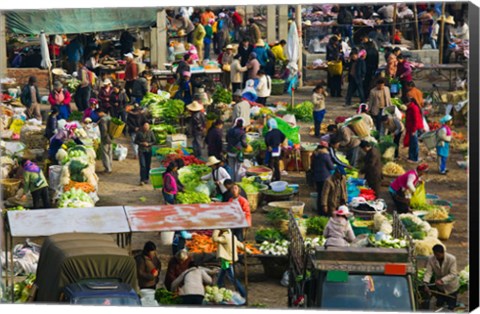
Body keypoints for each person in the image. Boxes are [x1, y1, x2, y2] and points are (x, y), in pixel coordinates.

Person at [212, 229, 249, 298]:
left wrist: (216, 230)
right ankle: (217, 289)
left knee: (232, 278)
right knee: (221, 275)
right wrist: (248, 250)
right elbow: (240, 244)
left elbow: (214, 239)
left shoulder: (224, 237)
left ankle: (243, 293)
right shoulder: (232, 237)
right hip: (228, 260)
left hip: (227, 261)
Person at [422, 244, 460, 311]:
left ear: (443, 253)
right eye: (435, 254)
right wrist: (425, 283)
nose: (436, 256)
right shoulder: (431, 259)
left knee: (451, 307)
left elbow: (453, 274)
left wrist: (442, 280)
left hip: (451, 286)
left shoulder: (452, 259)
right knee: (439, 305)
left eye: (438, 255)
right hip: (440, 288)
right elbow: (428, 272)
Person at [311, 141, 335, 215]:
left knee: (319, 193)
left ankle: (319, 211)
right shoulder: (325, 155)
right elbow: (331, 167)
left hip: (317, 177)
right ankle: (324, 211)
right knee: (325, 194)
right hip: (325, 177)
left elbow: (312, 166)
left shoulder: (315, 154)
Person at [226, 118, 248, 182]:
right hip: (238, 152)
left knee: (231, 167)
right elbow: (243, 142)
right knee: (239, 168)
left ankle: (231, 181)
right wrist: (246, 146)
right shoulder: (242, 132)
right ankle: (237, 182)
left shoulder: (230, 130)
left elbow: (227, 139)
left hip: (230, 151)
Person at [404, 98, 424, 163]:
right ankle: (411, 156)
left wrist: (413, 130)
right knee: (411, 143)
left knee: (414, 143)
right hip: (411, 128)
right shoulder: (410, 108)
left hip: (414, 128)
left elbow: (416, 120)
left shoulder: (413, 108)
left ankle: (414, 158)